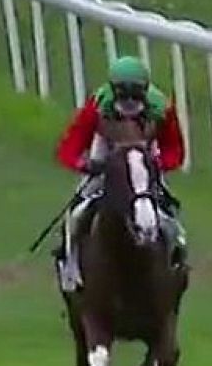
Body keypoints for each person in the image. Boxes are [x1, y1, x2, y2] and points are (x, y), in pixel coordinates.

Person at [52, 55, 187, 290]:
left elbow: (174, 149)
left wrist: (157, 164)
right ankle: (70, 266)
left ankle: (176, 259)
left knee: (169, 214)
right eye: (123, 96)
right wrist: (86, 165)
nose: (129, 104)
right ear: (113, 91)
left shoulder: (162, 108)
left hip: (145, 166)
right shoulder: (96, 106)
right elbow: (69, 148)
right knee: (76, 214)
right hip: (104, 158)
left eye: (135, 96)